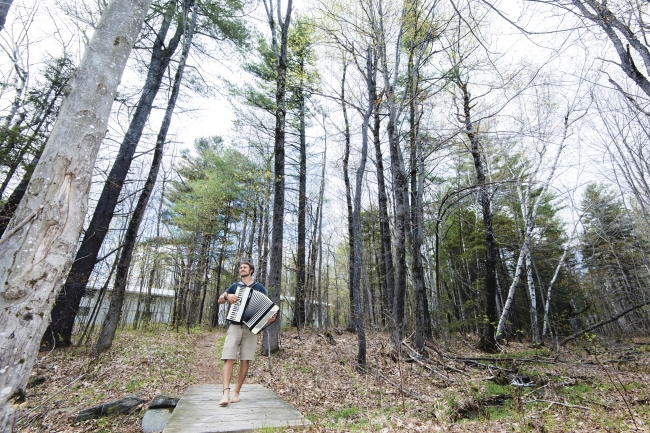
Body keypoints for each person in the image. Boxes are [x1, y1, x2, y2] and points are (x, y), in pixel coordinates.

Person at [217, 259, 275, 406]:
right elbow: (219, 300)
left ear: (251, 271)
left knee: (245, 360)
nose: (242, 269)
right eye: (241, 267)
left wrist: (269, 319)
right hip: (234, 326)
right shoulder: (235, 286)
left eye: (245, 267)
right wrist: (226, 296)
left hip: (250, 329)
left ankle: (236, 392)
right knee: (228, 357)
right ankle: (225, 393)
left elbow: (266, 309)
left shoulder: (259, 288)